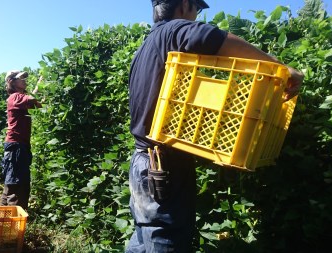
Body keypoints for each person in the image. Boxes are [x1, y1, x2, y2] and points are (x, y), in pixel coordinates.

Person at [126, 0, 304, 252]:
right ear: (185, 4)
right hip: (162, 167)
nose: (196, 16)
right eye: (197, 10)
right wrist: (280, 68)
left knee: (144, 240)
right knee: (166, 242)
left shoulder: (144, 48)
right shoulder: (173, 30)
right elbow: (207, 37)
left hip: (141, 162)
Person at [1, 70, 43, 210]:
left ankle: (5, 213)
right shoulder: (15, 97)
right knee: (17, 182)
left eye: (25, 78)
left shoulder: (21, 98)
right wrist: (40, 83)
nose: (25, 80)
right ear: (12, 82)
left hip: (19, 144)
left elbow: (37, 105)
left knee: (13, 180)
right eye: (21, 78)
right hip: (16, 145)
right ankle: (14, 219)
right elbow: (32, 99)